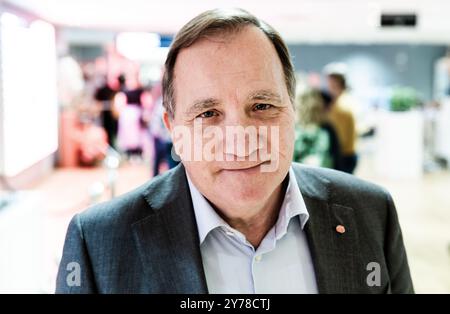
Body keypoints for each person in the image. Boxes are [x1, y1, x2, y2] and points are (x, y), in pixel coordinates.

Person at [56, 8, 413, 294]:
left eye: (262, 106)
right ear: (174, 131)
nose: (240, 138)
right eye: (208, 114)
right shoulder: (100, 242)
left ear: (293, 111)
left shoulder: (370, 213)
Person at [293, 89, 342, 170]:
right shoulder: (327, 128)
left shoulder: (295, 128)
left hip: (299, 176)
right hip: (322, 176)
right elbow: (336, 159)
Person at [326, 73, 358, 174]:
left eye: (329, 82)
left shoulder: (341, 105)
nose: (327, 86)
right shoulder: (345, 100)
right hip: (348, 153)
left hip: (343, 155)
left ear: (336, 83)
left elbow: (340, 137)